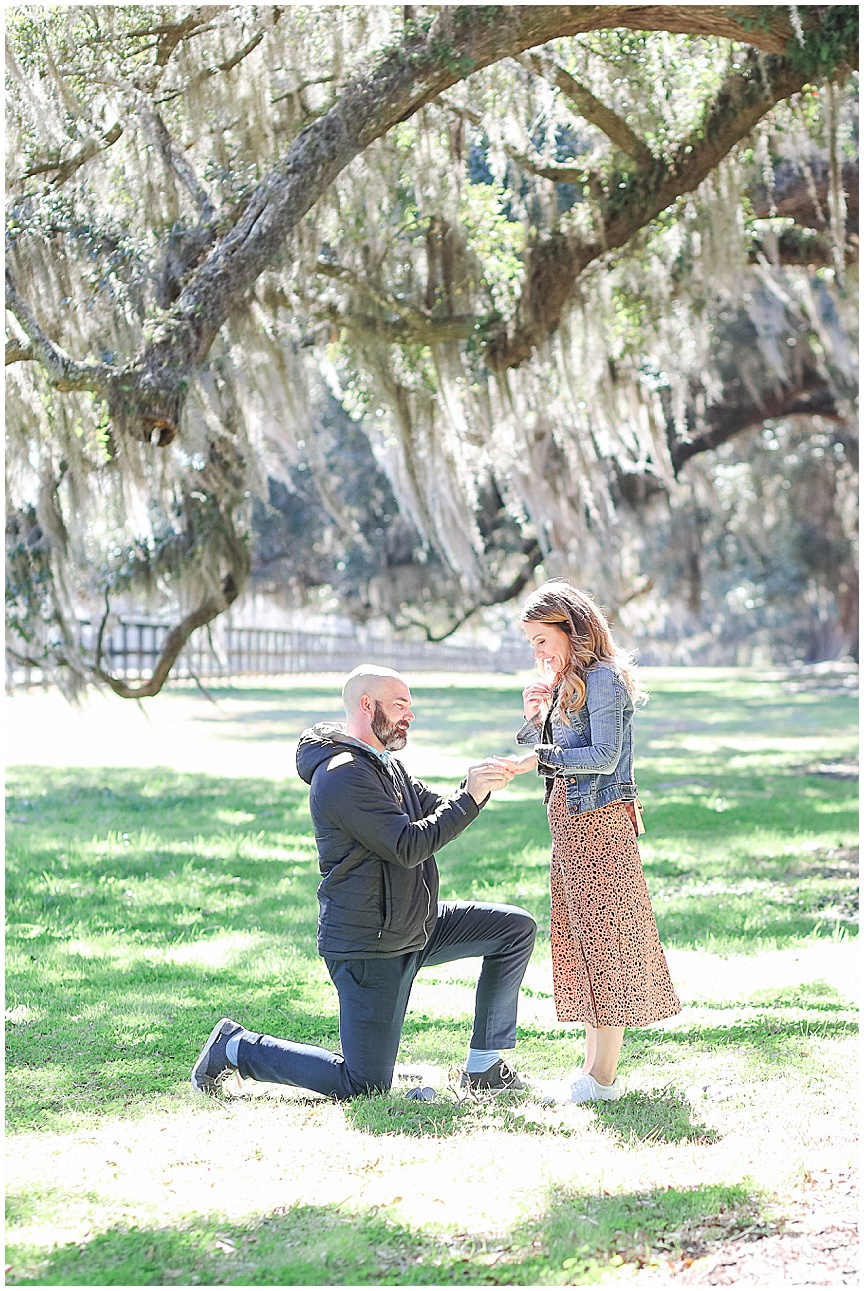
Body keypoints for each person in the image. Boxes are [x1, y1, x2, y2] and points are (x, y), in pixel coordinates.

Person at [191, 664, 536, 1100]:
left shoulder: (385, 765)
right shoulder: (342, 775)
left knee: (513, 928)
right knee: (364, 1085)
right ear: (366, 705)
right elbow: (409, 844)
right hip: (370, 945)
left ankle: (485, 1066)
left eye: (410, 705)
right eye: (400, 705)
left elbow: (435, 807)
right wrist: (468, 799)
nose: (409, 715)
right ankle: (235, 1047)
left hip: (416, 925)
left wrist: (481, 781)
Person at [502, 581, 680, 1105]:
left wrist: (540, 756)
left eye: (541, 639)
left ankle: (603, 1078)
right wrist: (538, 721)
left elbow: (602, 756)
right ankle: (591, 1070)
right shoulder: (572, 682)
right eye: (531, 642)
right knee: (583, 945)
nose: (536, 652)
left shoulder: (602, 679)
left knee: (606, 945)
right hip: (571, 822)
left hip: (599, 822)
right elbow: (562, 749)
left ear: (571, 629)